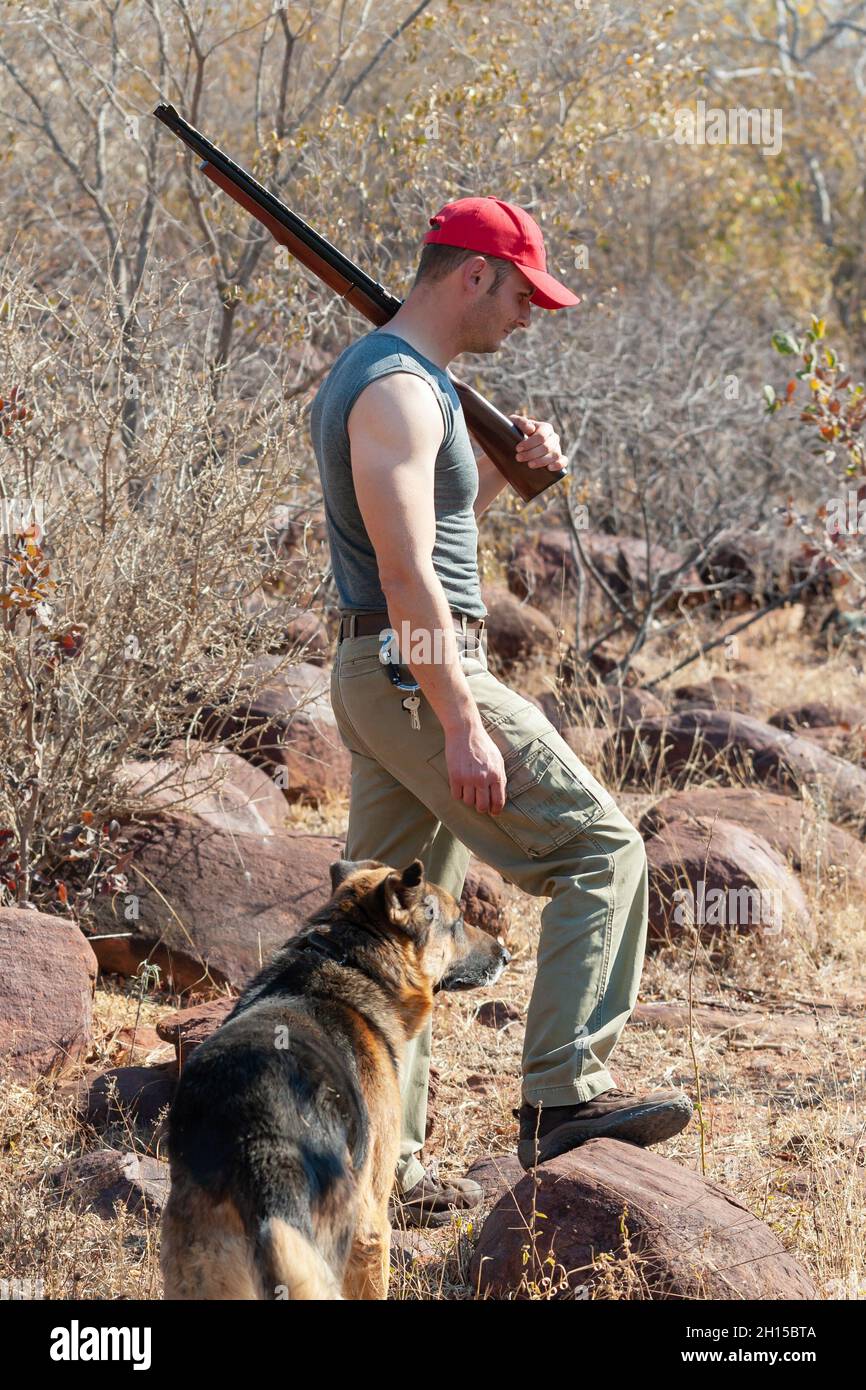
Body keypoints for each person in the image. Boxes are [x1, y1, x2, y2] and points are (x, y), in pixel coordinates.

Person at [309, 196, 692, 1228]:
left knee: (392, 930)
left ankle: (378, 1167)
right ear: (474, 274)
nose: (529, 316)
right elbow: (402, 572)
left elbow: (430, 529)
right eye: (524, 294)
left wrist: (496, 473)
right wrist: (463, 720)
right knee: (600, 853)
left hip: (384, 670)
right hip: (414, 669)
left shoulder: (410, 385)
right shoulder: (395, 389)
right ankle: (562, 1095)